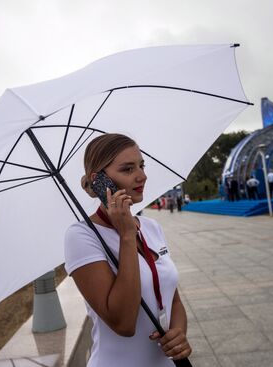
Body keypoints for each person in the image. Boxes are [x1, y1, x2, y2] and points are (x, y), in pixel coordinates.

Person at [64, 134, 191, 366]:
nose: (142, 175)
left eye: (141, 165)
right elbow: (123, 323)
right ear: (101, 181)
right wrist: (126, 236)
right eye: (127, 169)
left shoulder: (152, 228)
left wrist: (179, 333)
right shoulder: (82, 236)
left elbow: (173, 300)